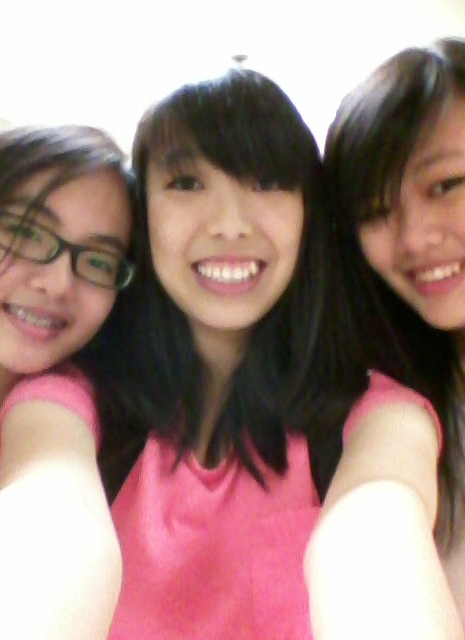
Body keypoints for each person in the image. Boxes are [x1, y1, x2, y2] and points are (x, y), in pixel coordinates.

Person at [104, 68, 459, 640]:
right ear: (141, 213)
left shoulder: (377, 415)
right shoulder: (84, 402)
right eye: (187, 183)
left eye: (267, 182)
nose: (229, 225)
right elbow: (43, 510)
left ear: (308, 214)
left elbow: (375, 531)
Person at [321, 36, 465, 635]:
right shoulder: (395, 403)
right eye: (377, 211)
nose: (412, 239)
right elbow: (371, 520)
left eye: (446, 185)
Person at [0, 124, 141, 640]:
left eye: (97, 262)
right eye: (25, 232)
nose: (57, 283)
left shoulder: (75, 406)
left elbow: (56, 516)